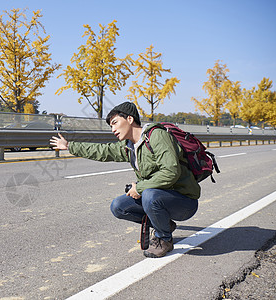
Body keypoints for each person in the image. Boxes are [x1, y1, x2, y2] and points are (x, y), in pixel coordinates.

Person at [50, 102, 200, 258]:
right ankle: (164, 225)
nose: (113, 129)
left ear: (129, 119)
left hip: (184, 201)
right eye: (110, 126)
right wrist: (69, 146)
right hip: (159, 197)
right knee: (119, 206)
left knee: (148, 194)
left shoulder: (156, 136)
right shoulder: (129, 146)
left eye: (115, 123)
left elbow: (171, 172)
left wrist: (140, 187)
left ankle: (164, 239)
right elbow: (103, 151)